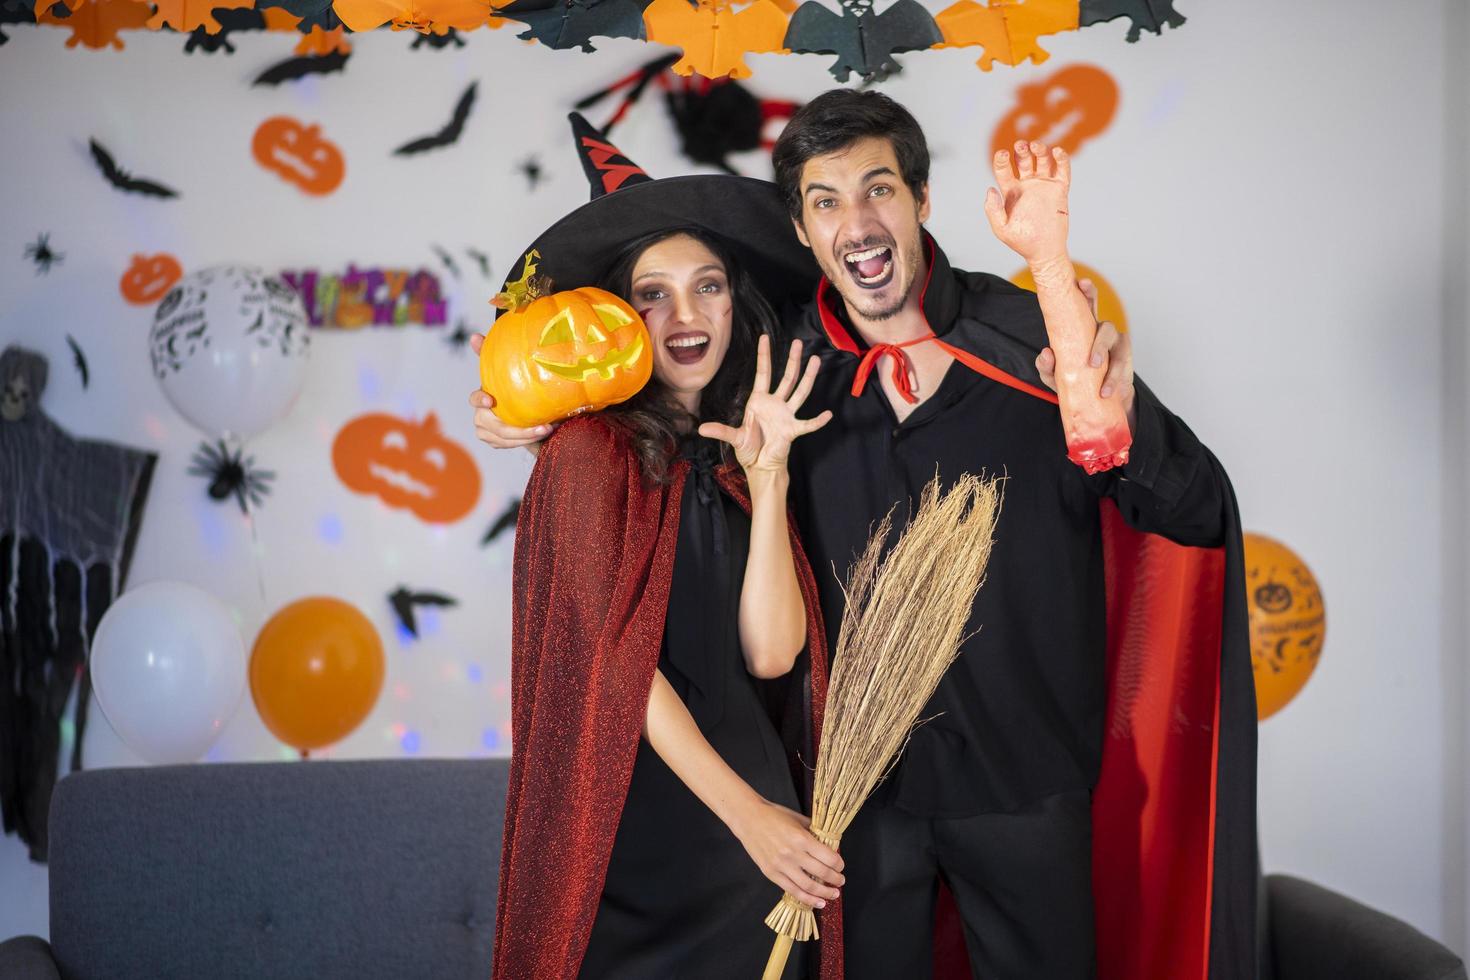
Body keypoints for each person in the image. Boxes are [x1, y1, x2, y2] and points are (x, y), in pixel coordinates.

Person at [475, 96, 1257, 980]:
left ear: (922, 199)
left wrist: (1121, 411)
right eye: (825, 201)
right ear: (804, 232)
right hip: (853, 806)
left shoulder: (1035, 342)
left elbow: (1190, 512)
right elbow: (652, 429)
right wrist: (528, 415)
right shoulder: (780, 374)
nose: (858, 220)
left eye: (879, 189)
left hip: (1026, 789)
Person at [487, 115, 845, 980]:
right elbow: (612, 667)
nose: (687, 314)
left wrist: (768, 482)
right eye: (654, 293)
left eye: (709, 286)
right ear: (614, 315)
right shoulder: (583, 455)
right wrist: (750, 817)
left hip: (757, 828)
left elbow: (773, 654)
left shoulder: (735, 453)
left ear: (737, 301)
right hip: (646, 822)